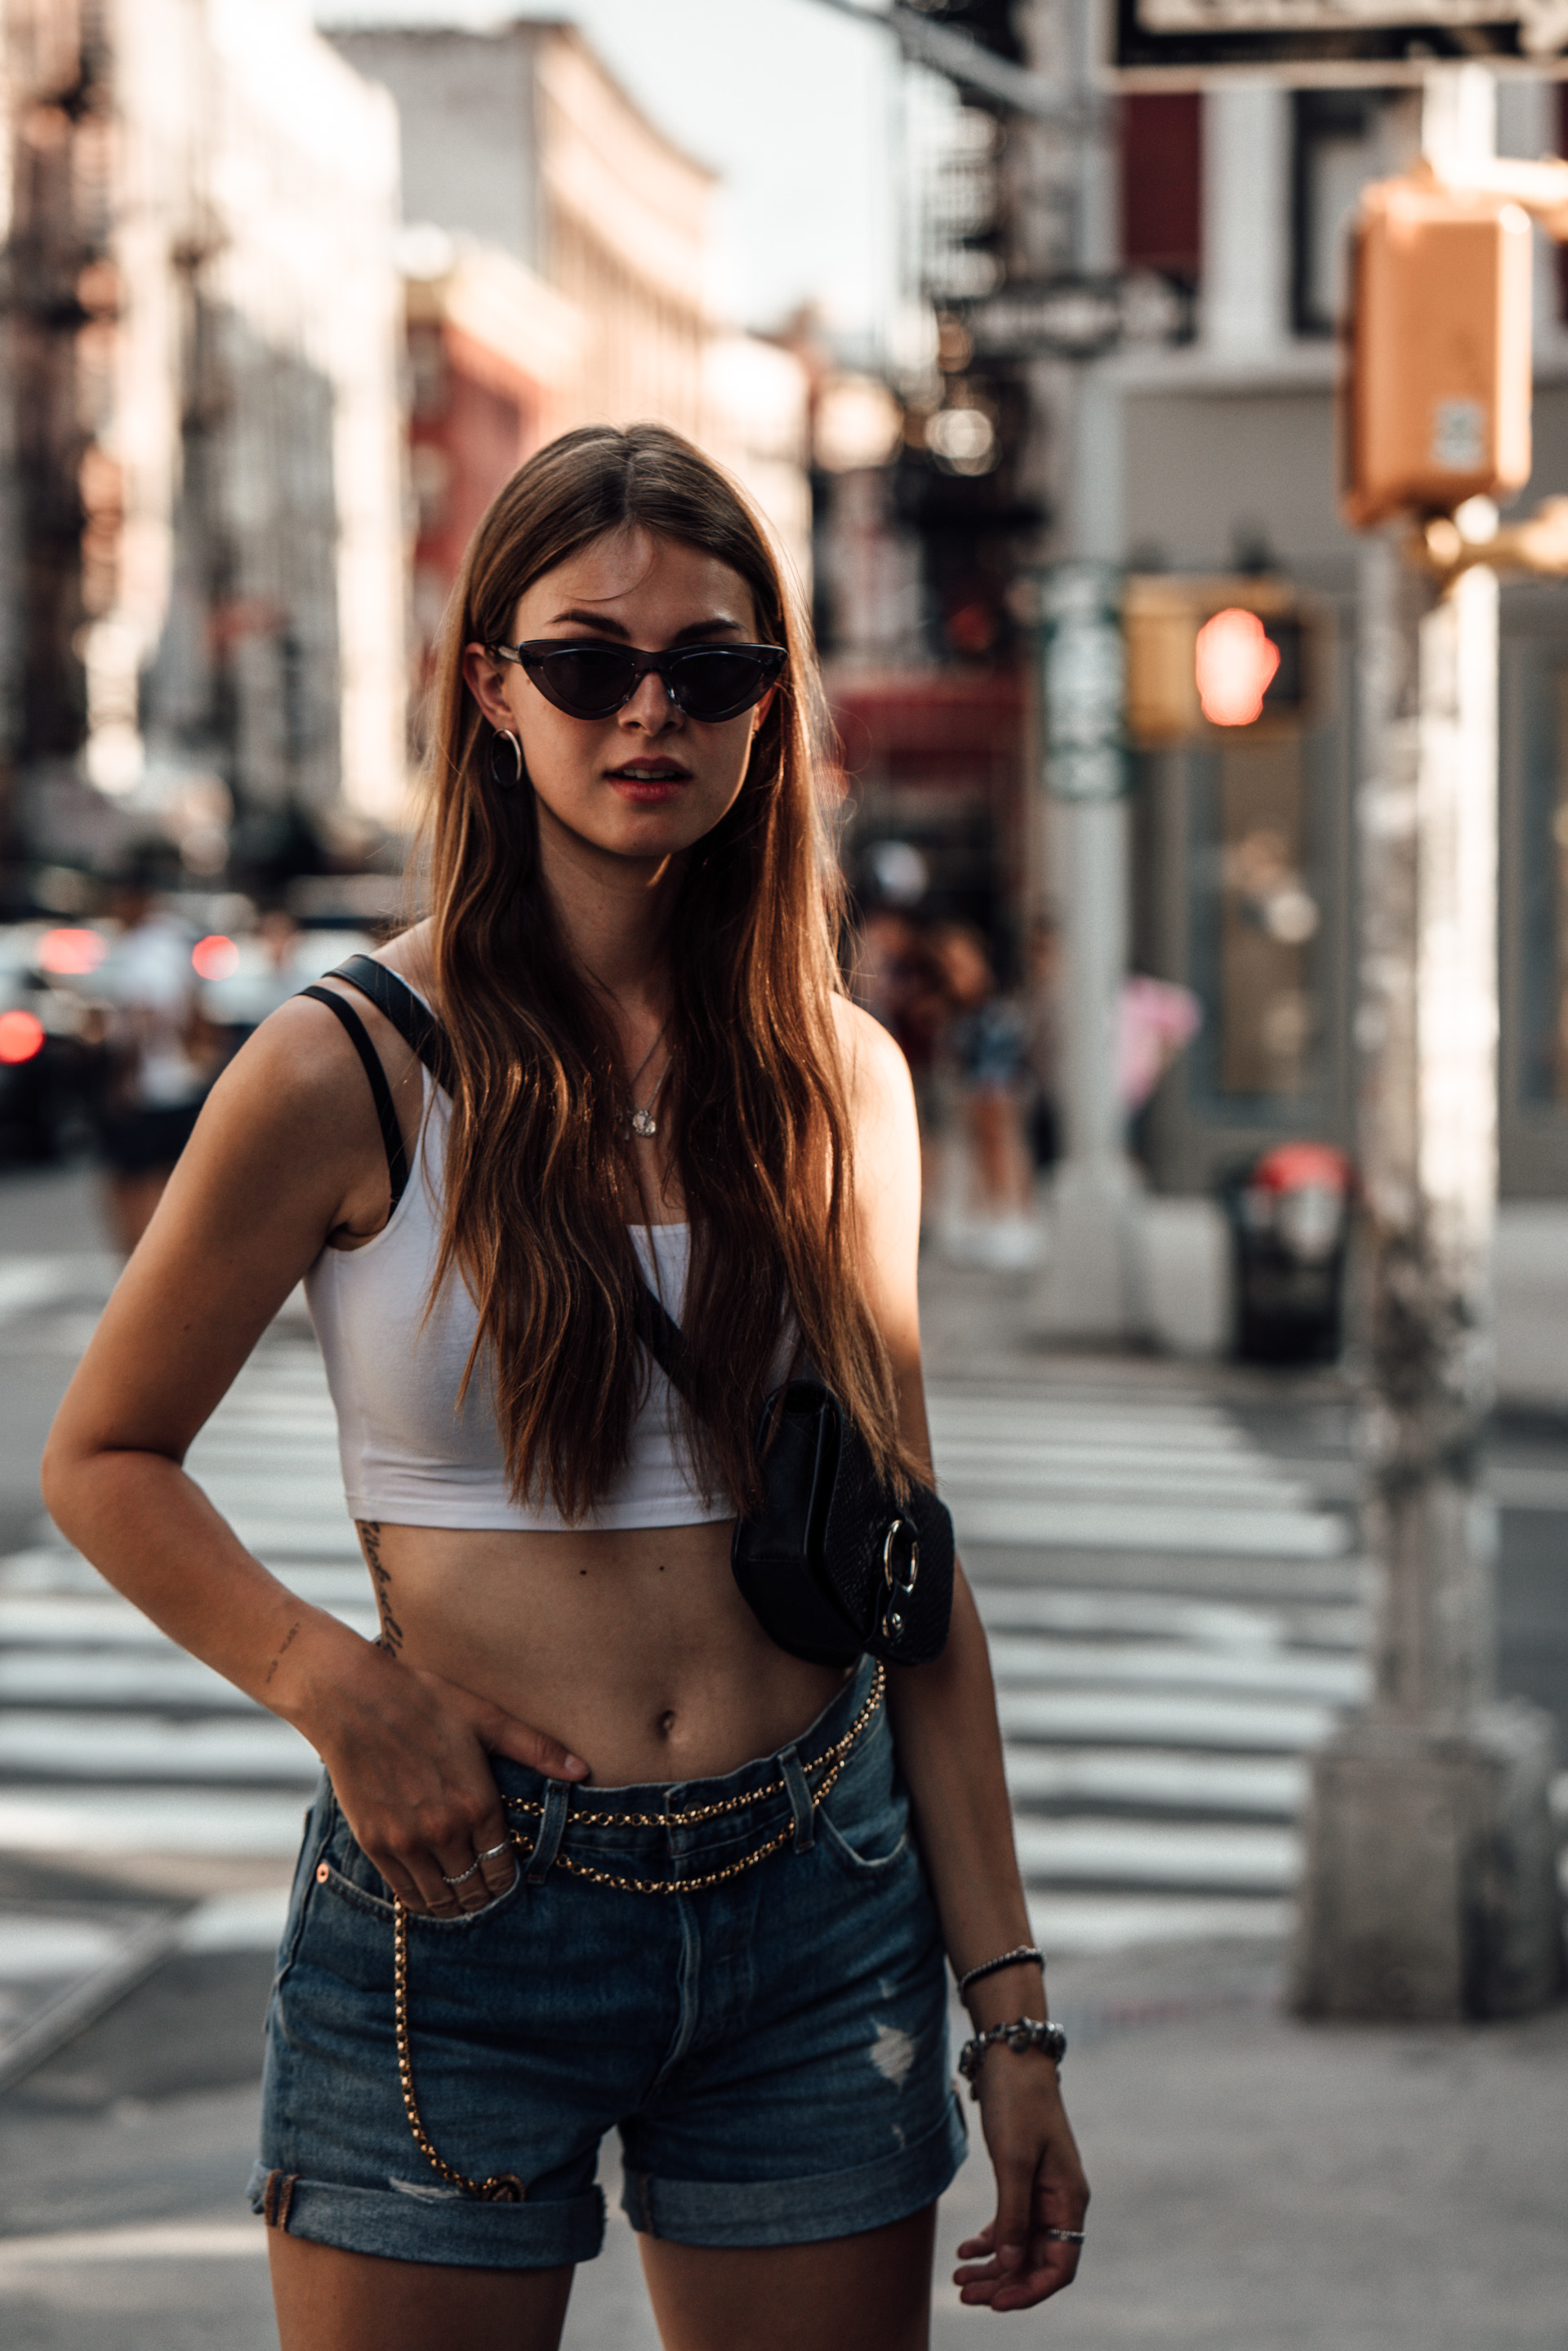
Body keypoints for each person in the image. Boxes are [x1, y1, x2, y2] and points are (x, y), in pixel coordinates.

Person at [42, 424, 1088, 2351]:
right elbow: (104, 1457)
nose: (649, 715)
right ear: (492, 688)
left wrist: (1011, 2017)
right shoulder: (350, 1066)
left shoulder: (844, 1079)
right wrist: (337, 1691)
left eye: (712, 668)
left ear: (771, 711)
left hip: (818, 1898)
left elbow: (911, 1581)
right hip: (464, 1912)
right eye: (590, 663)